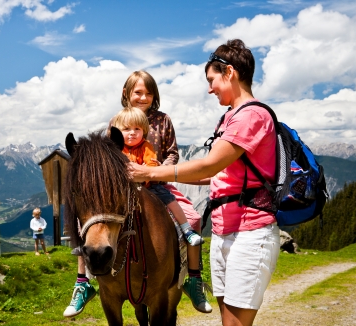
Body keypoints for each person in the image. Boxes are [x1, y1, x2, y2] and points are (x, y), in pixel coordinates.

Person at [128, 39, 281, 326]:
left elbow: (210, 164)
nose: (210, 88)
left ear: (230, 73)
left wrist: (149, 173)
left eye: (212, 80)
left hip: (249, 232)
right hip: (225, 231)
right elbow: (216, 174)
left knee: (235, 323)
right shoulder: (229, 117)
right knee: (228, 321)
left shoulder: (251, 115)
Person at [63, 70, 212, 318]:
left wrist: (156, 172)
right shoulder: (116, 121)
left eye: (149, 92)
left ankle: (193, 278)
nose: (144, 97)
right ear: (127, 94)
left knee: (193, 219)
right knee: (86, 227)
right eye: (138, 92)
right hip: (122, 187)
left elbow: (173, 153)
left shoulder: (163, 120)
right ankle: (83, 283)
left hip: (158, 182)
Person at [112, 106, 203, 246]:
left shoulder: (146, 146)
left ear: (144, 130)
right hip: (123, 188)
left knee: (170, 199)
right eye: (126, 129)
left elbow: (152, 164)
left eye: (137, 129)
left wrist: (145, 172)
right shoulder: (116, 149)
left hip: (149, 186)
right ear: (118, 132)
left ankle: (187, 229)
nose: (132, 133)